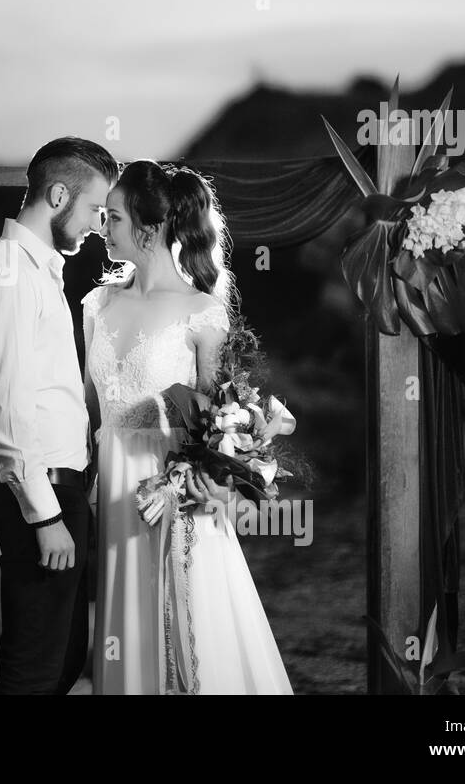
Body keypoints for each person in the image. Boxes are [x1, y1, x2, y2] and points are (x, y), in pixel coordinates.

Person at [84, 160, 292, 694]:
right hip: (111, 491)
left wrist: (216, 480)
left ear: (148, 228)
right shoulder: (96, 306)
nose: (103, 229)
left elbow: (218, 417)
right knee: (123, 623)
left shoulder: (202, 313)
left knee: (189, 624)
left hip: (171, 492)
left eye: (113, 218)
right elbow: (86, 408)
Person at [0, 136, 117, 694]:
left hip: (57, 485)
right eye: (97, 209)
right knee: (33, 668)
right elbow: (8, 407)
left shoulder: (39, 269)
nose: (99, 225)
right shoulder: (9, 277)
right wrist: (44, 516)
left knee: (63, 659)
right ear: (57, 194)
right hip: (40, 492)